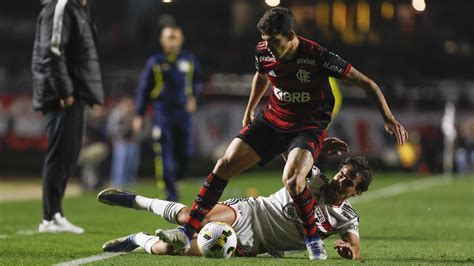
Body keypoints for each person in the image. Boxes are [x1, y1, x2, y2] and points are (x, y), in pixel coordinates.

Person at [155, 7, 408, 260]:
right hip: (272, 120)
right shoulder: (263, 51)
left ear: (290, 35)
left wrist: (388, 118)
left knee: (294, 180)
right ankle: (186, 231)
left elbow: (367, 83)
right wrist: (250, 108)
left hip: (307, 125)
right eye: (266, 41)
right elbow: (262, 74)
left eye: (275, 42)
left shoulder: (317, 56)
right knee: (224, 164)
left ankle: (313, 243)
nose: (270, 48)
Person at [98, 140, 369, 260]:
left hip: (254, 243)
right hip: (251, 212)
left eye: (348, 182)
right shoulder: (315, 178)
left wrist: (349, 251)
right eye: (341, 174)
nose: (340, 181)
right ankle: (134, 200)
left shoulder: (347, 218)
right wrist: (316, 147)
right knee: (193, 217)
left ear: (356, 192)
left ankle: (138, 239)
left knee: (170, 250)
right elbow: (291, 156)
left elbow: (356, 248)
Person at [32, 0, 104, 234]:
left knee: (69, 154)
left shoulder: (80, 8)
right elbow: (51, 51)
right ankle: (49, 216)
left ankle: (56, 213)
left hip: (75, 93)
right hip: (63, 95)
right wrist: (65, 92)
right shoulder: (61, 5)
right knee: (59, 153)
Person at [133, 26, 201, 201]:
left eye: (175, 37)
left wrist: (194, 96)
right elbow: (144, 89)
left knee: (185, 153)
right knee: (164, 152)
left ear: (181, 39)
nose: (172, 41)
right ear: (162, 40)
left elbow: (197, 82)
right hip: (163, 113)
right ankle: (170, 193)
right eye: (169, 37)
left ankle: (177, 180)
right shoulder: (155, 62)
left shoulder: (189, 60)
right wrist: (139, 114)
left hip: (183, 114)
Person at [107, 98, 140, 188]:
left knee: (132, 167)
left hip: (133, 142)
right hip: (121, 143)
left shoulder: (135, 112)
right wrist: (125, 130)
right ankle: (117, 186)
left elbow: (142, 127)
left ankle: (130, 186)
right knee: (120, 168)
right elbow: (111, 129)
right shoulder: (117, 113)